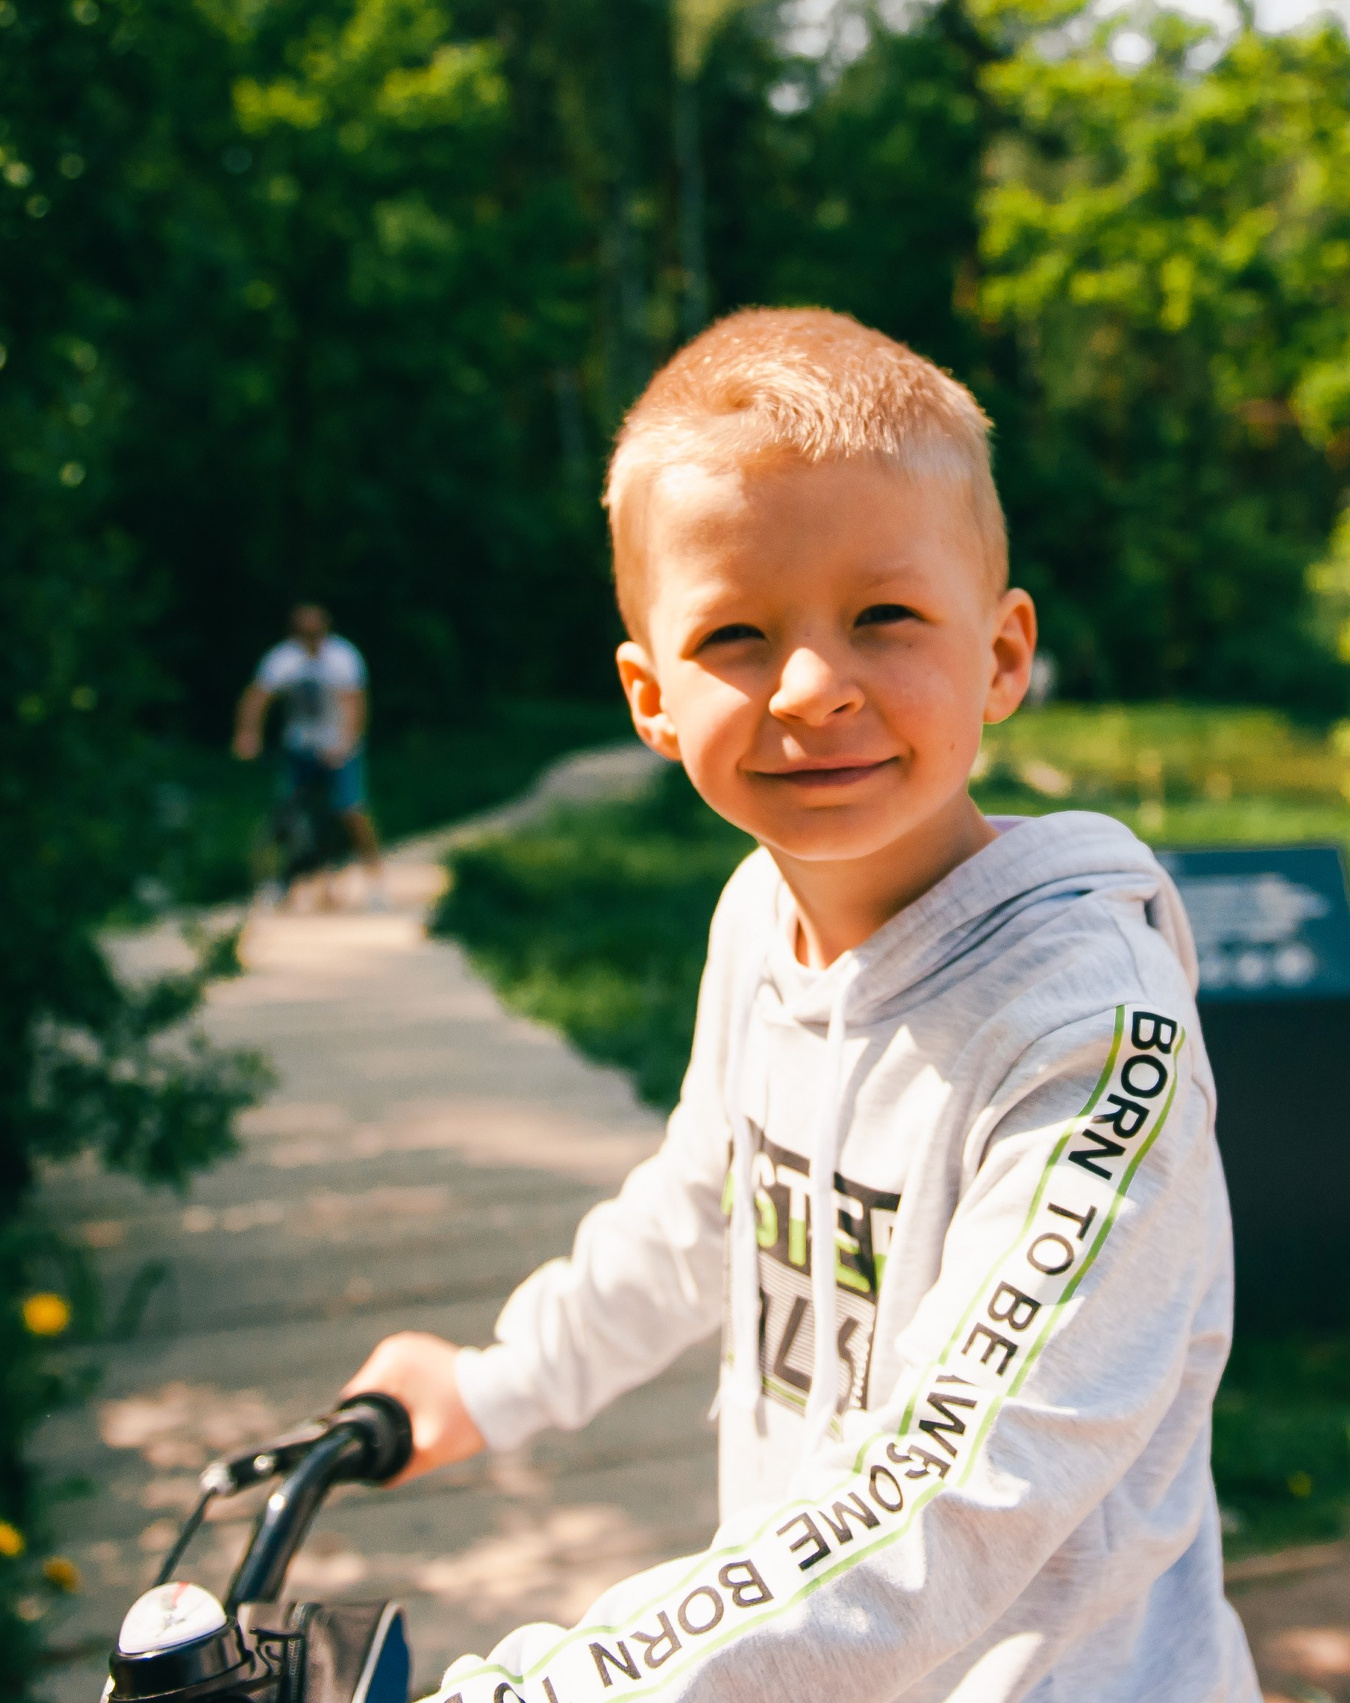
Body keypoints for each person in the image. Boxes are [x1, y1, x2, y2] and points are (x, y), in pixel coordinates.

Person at [341, 310, 1257, 1703]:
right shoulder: (755, 920)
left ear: (1002, 653)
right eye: (735, 635)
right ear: (650, 696)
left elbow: (954, 1487)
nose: (815, 686)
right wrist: (491, 1385)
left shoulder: (1089, 1038)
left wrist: (545, 1685)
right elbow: (703, 1207)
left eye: (884, 616)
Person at [232, 602, 384, 907]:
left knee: (351, 810)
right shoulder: (283, 658)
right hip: (300, 748)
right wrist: (247, 734)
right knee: (286, 814)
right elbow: (258, 697)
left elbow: (354, 704)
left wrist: (345, 743)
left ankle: (375, 882)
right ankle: (281, 882)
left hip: (339, 748)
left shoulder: (343, 657)